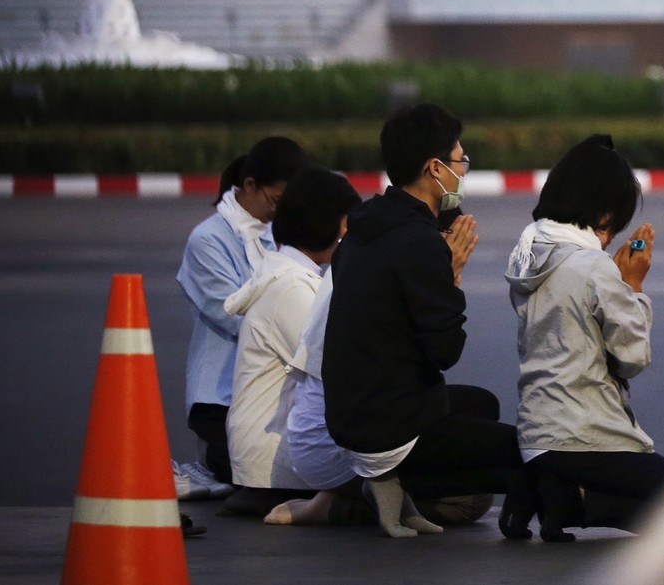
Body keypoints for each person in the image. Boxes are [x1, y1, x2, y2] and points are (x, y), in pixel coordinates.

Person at [322, 103, 528, 539]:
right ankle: (384, 481)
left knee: (481, 405)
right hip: (392, 425)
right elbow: (445, 352)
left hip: (353, 414)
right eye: (460, 162)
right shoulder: (418, 243)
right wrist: (450, 276)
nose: (464, 173)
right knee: (528, 453)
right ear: (436, 169)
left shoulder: (363, 227)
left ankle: (386, 483)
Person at [504, 135, 664, 542]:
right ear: (605, 215)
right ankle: (568, 502)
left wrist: (613, 282)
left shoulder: (529, 255)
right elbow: (631, 357)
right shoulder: (593, 268)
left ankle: (552, 490)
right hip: (583, 434)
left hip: (536, 431)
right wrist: (633, 287)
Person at [222, 165, 359, 516]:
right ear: (341, 225)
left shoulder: (291, 276)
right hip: (274, 468)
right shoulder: (292, 288)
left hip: (272, 459)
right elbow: (344, 366)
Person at [177, 136, 307, 488]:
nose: (282, 212)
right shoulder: (208, 240)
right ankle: (201, 468)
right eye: (277, 201)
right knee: (257, 476)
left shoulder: (276, 234)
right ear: (250, 185)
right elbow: (232, 314)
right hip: (221, 396)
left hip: (272, 387)